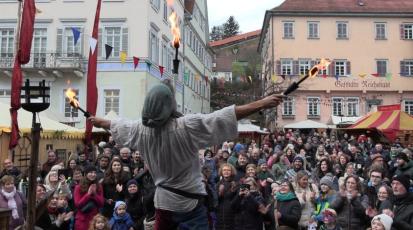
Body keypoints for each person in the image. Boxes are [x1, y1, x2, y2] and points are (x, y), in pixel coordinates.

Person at [89, 80, 283, 230]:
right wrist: (262, 103)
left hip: (163, 202)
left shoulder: (139, 130)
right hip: (189, 204)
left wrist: (99, 121)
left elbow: (115, 125)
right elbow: (225, 116)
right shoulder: (186, 126)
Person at [74, 165, 105, 230]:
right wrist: (88, 194)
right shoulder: (78, 187)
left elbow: (101, 203)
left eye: (94, 172)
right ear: (86, 174)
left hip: (95, 219)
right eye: (90, 172)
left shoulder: (99, 186)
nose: (93, 174)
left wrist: (94, 194)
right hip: (82, 219)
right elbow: (77, 204)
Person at [216, 163, 238, 230]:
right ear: (221, 172)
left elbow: (238, 200)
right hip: (220, 213)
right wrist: (219, 193)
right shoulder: (218, 184)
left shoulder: (235, 183)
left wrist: (233, 191)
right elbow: (215, 200)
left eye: (228, 170)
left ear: (231, 172)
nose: (226, 172)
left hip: (232, 213)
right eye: (224, 170)